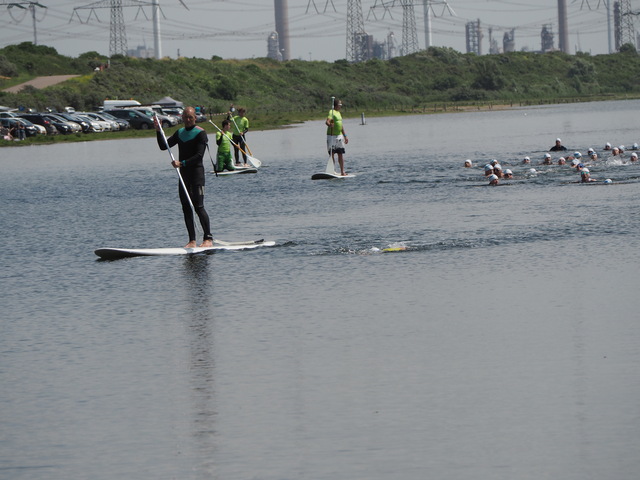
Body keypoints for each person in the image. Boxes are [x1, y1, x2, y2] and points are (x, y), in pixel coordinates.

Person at [155, 106, 213, 248]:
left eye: (190, 117)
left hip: (197, 174)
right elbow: (164, 146)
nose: (188, 120)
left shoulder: (201, 133)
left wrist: (182, 163)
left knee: (198, 206)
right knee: (186, 207)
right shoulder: (180, 133)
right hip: (184, 175)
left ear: (195, 118)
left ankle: (208, 239)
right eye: (185, 117)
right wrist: (158, 131)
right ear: (182, 118)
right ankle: (192, 240)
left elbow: (199, 156)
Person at [325, 98, 349, 176]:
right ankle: (332, 171)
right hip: (331, 136)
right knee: (332, 153)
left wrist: (345, 136)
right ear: (336, 105)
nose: (341, 106)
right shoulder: (331, 112)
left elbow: (341, 125)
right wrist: (330, 124)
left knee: (340, 153)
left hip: (339, 136)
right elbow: (327, 121)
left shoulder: (339, 113)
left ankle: (342, 171)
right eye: (340, 105)